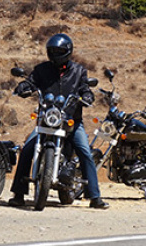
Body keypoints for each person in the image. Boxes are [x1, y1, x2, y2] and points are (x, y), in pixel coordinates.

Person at [8, 33, 109, 210]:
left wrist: (87, 96)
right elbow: (31, 83)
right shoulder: (41, 70)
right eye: (52, 51)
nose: (55, 54)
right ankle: (18, 194)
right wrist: (23, 87)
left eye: (59, 51)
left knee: (85, 151)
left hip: (71, 120)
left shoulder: (79, 71)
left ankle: (95, 197)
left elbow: (85, 88)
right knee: (27, 150)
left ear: (68, 51)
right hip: (46, 120)